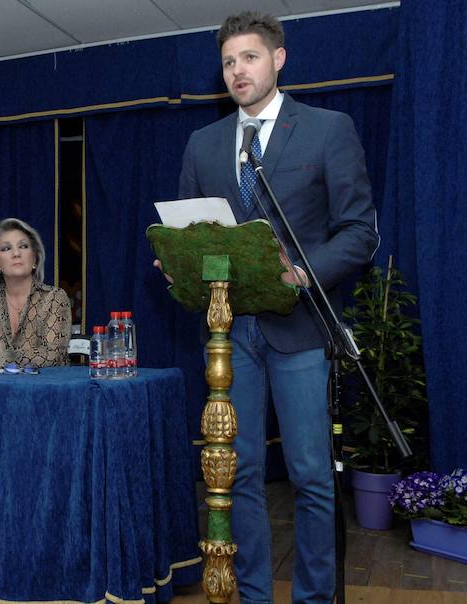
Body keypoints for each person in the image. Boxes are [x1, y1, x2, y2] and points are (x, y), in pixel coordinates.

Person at [156, 12, 379, 604]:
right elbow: (191, 232)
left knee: (309, 476)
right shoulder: (202, 143)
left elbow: (360, 233)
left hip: (301, 329)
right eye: (229, 62)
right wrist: (178, 262)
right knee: (239, 474)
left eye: (249, 58)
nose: (237, 71)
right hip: (230, 332)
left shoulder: (328, 130)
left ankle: (312, 598)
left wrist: (304, 274)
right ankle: (251, 594)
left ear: (278, 60)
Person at [0, 218, 71, 368]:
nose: (16, 253)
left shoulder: (54, 298)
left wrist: (0, 358)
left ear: (34, 258)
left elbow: (53, 354)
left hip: (46, 387)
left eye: (23, 246)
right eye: (6, 248)